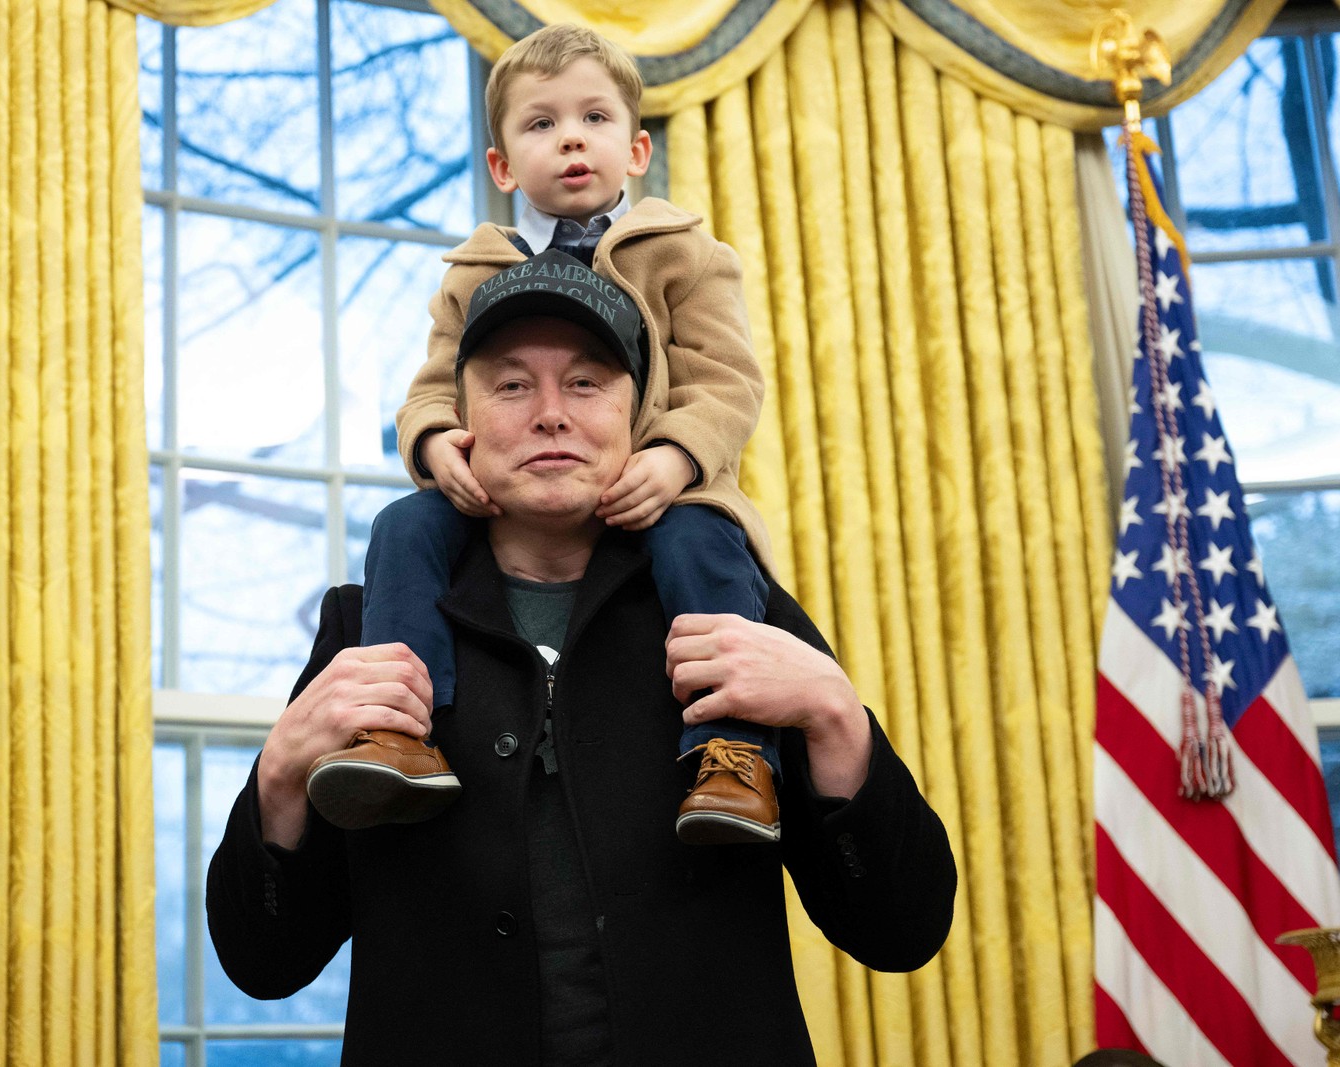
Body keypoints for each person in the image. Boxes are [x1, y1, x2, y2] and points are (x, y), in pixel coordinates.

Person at [205, 262, 956, 1065]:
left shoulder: (741, 616)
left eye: (587, 382)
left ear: (638, 418)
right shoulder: (367, 628)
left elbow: (901, 930)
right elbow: (265, 962)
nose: (551, 414)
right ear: (459, 420)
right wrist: (279, 775)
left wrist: (838, 718)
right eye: (512, 386)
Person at [307, 23, 783, 845]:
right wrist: (435, 443)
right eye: (541, 123)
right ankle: (399, 729)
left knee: (702, 544)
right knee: (404, 526)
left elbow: (726, 379)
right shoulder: (474, 273)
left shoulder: (686, 254)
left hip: (663, 488)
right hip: (514, 494)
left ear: (636, 150)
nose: (571, 138)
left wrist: (675, 457)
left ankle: (733, 751)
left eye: (595, 118)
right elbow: (433, 387)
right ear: (501, 167)